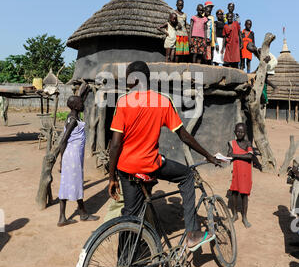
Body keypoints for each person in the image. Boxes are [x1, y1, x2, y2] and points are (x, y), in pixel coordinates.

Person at [108, 61, 221, 253]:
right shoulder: (162, 101)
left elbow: (116, 144)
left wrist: (111, 177)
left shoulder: (123, 102)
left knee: (129, 215)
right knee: (186, 176)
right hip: (150, 164)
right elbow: (183, 135)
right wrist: (208, 155)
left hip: (126, 168)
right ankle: (193, 233)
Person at [57, 94, 99, 226]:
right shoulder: (73, 120)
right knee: (76, 183)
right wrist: (61, 159)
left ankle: (64, 217)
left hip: (71, 156)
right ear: (75, 106)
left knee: (67, 184)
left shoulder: (73, 117)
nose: (83, 104)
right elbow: (63, 140)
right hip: (72, 157)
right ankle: (83, 214)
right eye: (81, 103)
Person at [228, 123, 253, 228]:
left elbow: (250, 156)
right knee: (234, 193)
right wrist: (231, 156)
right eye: (238, 131)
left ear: (245, 133)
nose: (240, 133)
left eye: (242, 132)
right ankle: (234, 215)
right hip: (236, 172)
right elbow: (229, 155)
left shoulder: (248, 143)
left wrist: (235, 155)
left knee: (244, 195)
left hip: (245, 173)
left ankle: (244, 217)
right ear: (235, 132)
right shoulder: (231, 143)